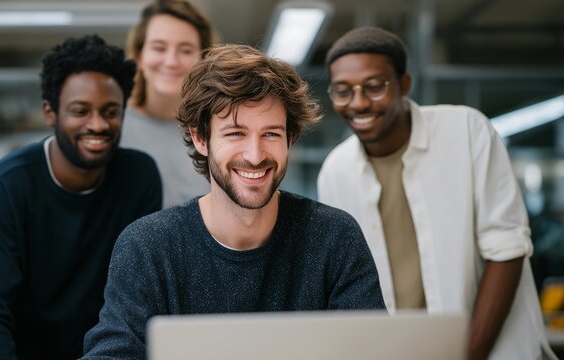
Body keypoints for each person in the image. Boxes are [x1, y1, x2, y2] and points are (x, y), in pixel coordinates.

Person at [82, 44, 385, 359]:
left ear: (289, 139)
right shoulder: (148, 246)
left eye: (270, 134)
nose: (255, 156)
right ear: (201, 138)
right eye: (235, 134)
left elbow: (376, 352)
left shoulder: (334, 237)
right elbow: (113, 352)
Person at [317, 26, 556, 360]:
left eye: (374, 86)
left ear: (404, 84)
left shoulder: (467, 131)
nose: (358, 103)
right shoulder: (335, 171)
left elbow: (507, 249)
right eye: (343, 91)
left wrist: (468, 355)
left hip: (494, 349)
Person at [0, 35, 162, 360]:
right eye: (80, 111)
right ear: (51, 113)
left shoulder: (140, 177)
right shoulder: (5, 187)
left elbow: (137, 301)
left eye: (110, 111)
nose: (97, 124)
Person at [120, 0, 214, 208]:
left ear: (203, 61)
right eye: (159, 48)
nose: (171, 61)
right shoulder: (111, 128)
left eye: (186, 50)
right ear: (139, 57)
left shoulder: (216, 132)